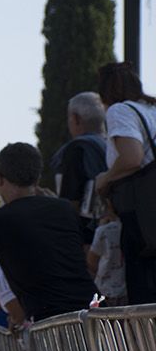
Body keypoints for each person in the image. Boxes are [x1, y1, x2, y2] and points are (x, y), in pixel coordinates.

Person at [0, 142, 95, 321]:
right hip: (94, 313)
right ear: (37, 178)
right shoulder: (64, 209)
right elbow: (88, 255)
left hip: (53, 323)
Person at [94, 62, 156, 305]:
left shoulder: (119, 111)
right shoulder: (150, 109)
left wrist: (105, 179)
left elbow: (132, 157)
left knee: (144, 296)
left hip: (142, 217)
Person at [54, 91, 110, 245]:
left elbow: (70, 203)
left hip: (85, 238)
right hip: (111, 231)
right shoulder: (112, 146)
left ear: (76, 118)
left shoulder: (78, 148)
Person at [89, 203, 126, 305]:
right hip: (125, 290)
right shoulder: (131, 228)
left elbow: (91, 261)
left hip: (104, 289)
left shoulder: (104, 230)